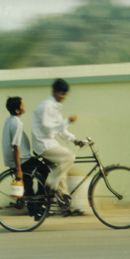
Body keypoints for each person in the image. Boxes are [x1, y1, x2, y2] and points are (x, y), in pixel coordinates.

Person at [31, 78, 85, 216]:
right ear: (55, 92)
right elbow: (49, 128)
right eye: (62, 94)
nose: (64, 97)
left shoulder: (55, 106)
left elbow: (61, 129)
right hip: (42, 143)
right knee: (69, 157)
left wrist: (75, 140)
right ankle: (49, 184)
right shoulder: (48, 105)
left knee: (62, 171)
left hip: (48, 142)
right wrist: (68, 121)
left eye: (65, 94)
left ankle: (65, 206)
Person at [2, 96, 51, 220]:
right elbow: (16, 146)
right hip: (21, 159)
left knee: (28, 184)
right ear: (18, 110)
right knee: (45, 170)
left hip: (15, 159)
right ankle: (40, 202)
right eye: (23, 105)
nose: (25, 107)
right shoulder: (17, 123)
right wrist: (18, 169)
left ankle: (36, 212)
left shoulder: (9, 119)